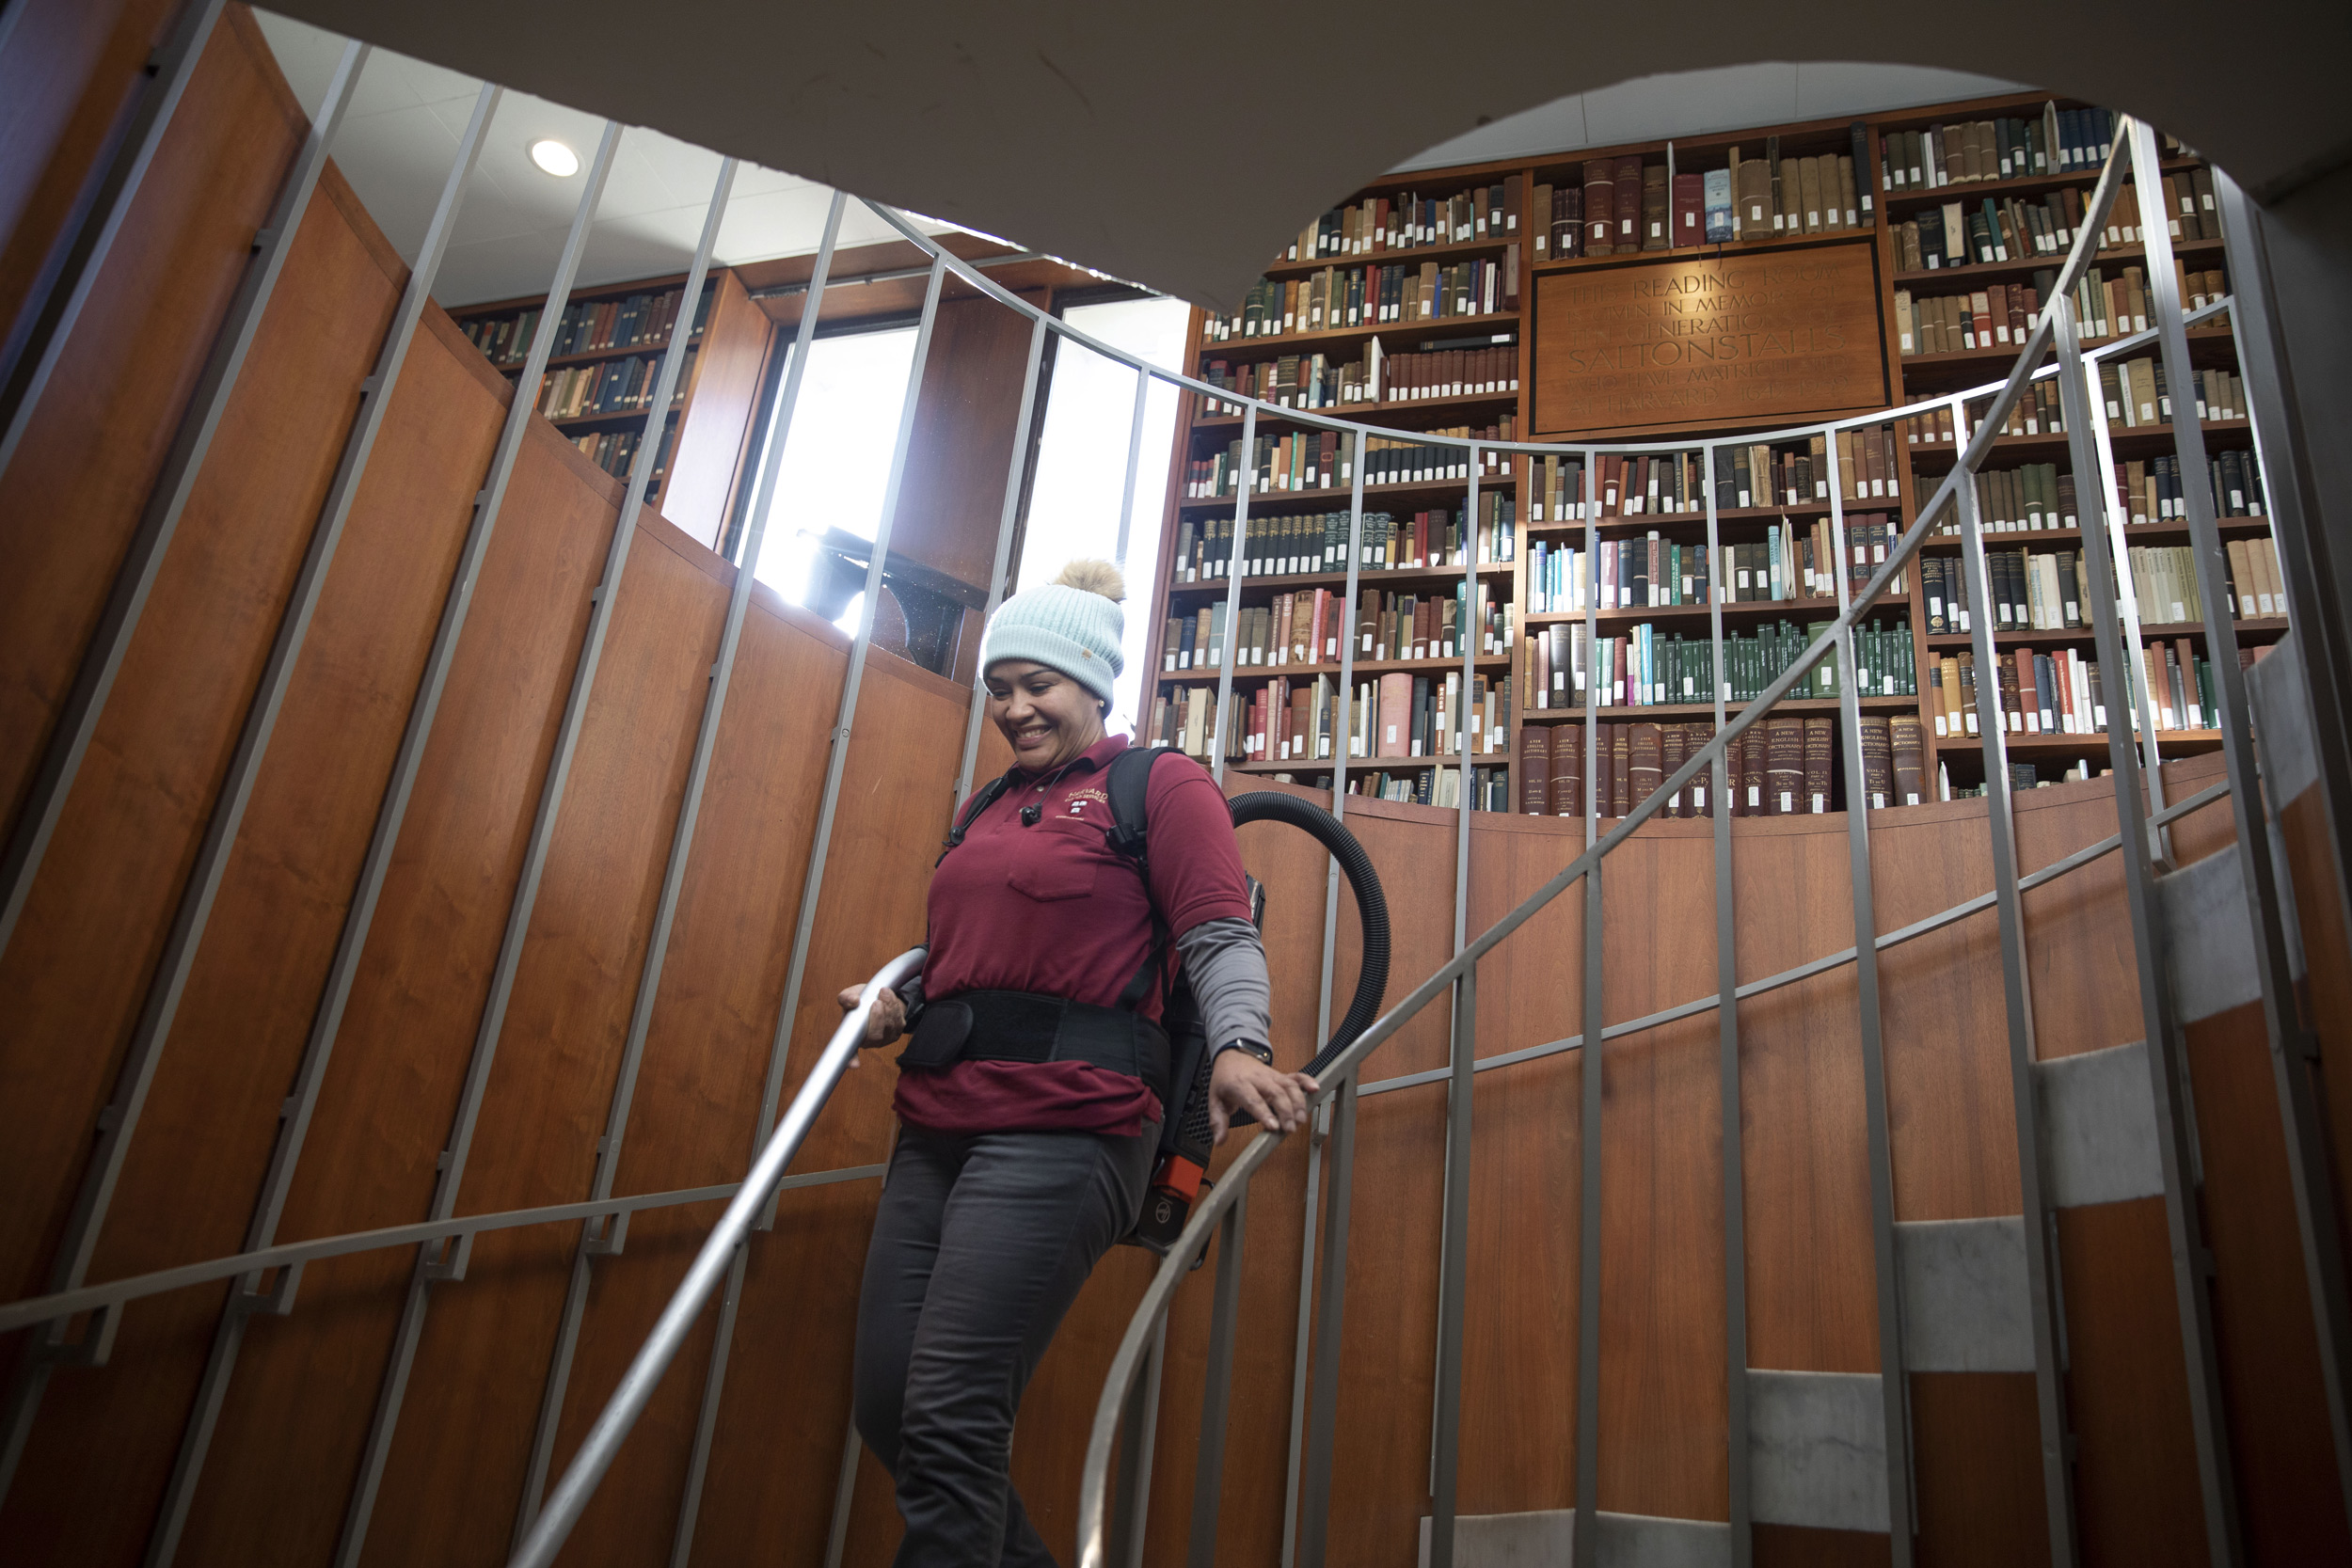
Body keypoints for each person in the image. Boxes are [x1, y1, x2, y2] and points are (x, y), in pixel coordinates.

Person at [836, 558, 1317, 1566]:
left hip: (1066, 1125)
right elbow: (965, 958)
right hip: (936, 1121)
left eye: (1036, 684)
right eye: (1000, 686)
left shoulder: (1158, 785)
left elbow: (1218, 934)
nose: (1013, 706)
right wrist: (897, 1002)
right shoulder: (979, 808)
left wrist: (1239, 1046)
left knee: (952, 1410)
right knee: (891, 1402)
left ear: (1091, 682)